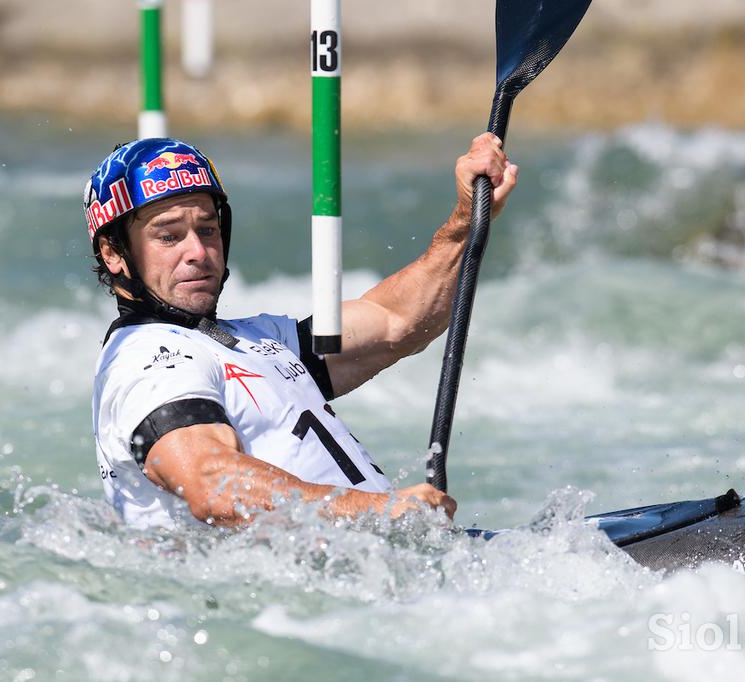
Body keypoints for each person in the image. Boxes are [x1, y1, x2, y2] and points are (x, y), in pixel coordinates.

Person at [85, 134, 518, 528]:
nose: (198, 252)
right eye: (169, 237)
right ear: (114, 253)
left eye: (208, 230)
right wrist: (378, 510)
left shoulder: (251, 338)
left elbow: (397, 322)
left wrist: (467, 218)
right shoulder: (146, 360)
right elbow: (213, 486)